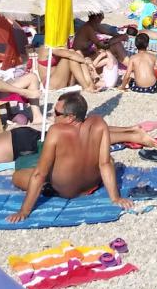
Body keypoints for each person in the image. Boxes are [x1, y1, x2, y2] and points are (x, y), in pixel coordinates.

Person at [8, 92, 132, 222]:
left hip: (65, 191)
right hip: (92, 184)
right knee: (109, 159)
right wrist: (115, 198)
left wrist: (24, 211)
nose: (53, 116)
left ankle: (46, 187)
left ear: (70, 117)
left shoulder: (56, 131)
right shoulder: (99, 123)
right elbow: (105, 163)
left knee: (18, 176)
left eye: (56, 113)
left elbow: (40, 174)